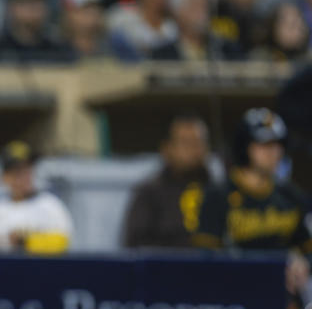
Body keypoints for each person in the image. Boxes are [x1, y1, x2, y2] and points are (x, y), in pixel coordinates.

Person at [193, 108, 311, 251]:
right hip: (234, 272)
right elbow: (206, 258)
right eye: (265, 144)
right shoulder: (218, 195)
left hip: (280, 273)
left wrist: (301, 261)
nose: (274, 152)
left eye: (278, 144)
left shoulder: (290, 195)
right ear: (244, 147)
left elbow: (308, 249)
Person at [123, 113, 213, 249]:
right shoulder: (150, 192)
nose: (194, 150)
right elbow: (136, 245)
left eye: (199, 142)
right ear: (166, 149)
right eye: (186, 143)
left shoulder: (219, 189)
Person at [0, 141, 73, 255]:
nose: (24, 177)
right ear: (4, 177)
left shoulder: (50, 205)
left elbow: (61, 242)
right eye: (17, 173)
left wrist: (25, 241)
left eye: (27, 170)